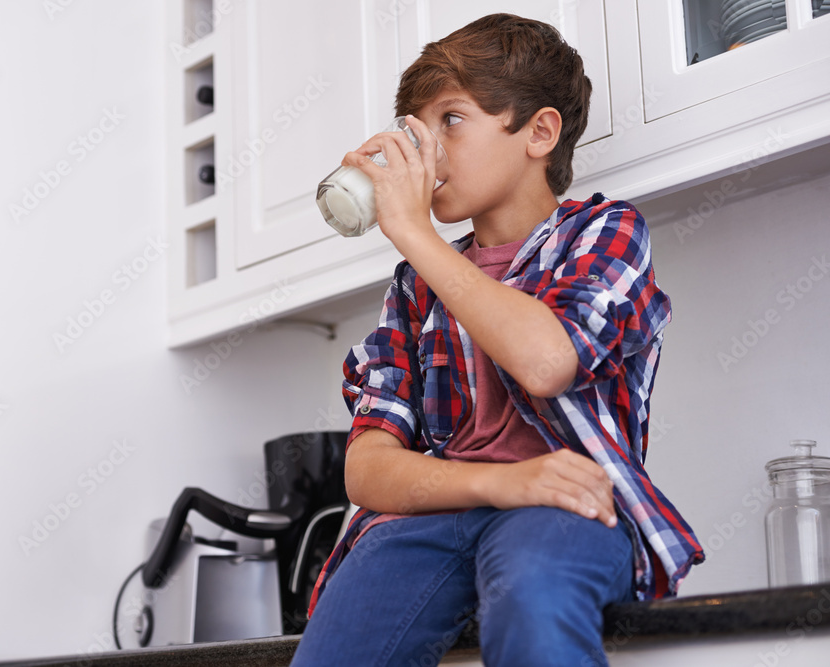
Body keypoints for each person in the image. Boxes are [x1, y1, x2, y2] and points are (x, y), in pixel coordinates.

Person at [289, 13, 704, 667]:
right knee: (339, 643)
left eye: (450, 120)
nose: (431, 153)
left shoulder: (602, 234)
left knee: (534, 598)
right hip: (440, 514)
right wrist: (503, 481)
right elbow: (368, 472)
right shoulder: (414, 285)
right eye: (417, 133)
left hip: (565, 508)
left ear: (540, 131)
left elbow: (546, 361)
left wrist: (413, 233)